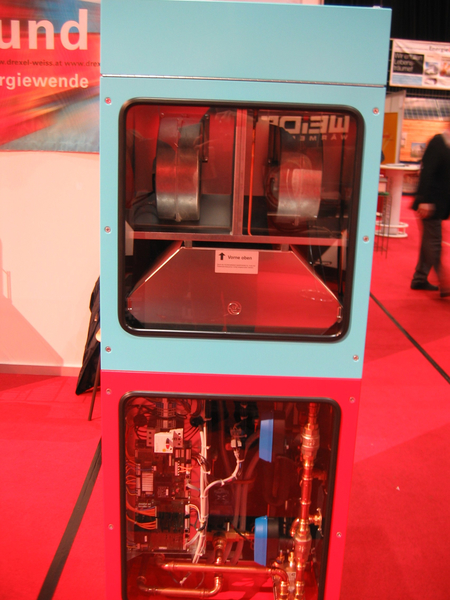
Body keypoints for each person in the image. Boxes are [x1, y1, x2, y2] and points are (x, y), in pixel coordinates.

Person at [410, 123, 450, 297]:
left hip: (439, 204)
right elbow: (426, 173)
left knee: (429, 241)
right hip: (430, 203)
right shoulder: (438, 143)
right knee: (434, 242)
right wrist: (424, 200)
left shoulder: (446, 145)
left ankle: (420, 278)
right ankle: (445, 282)